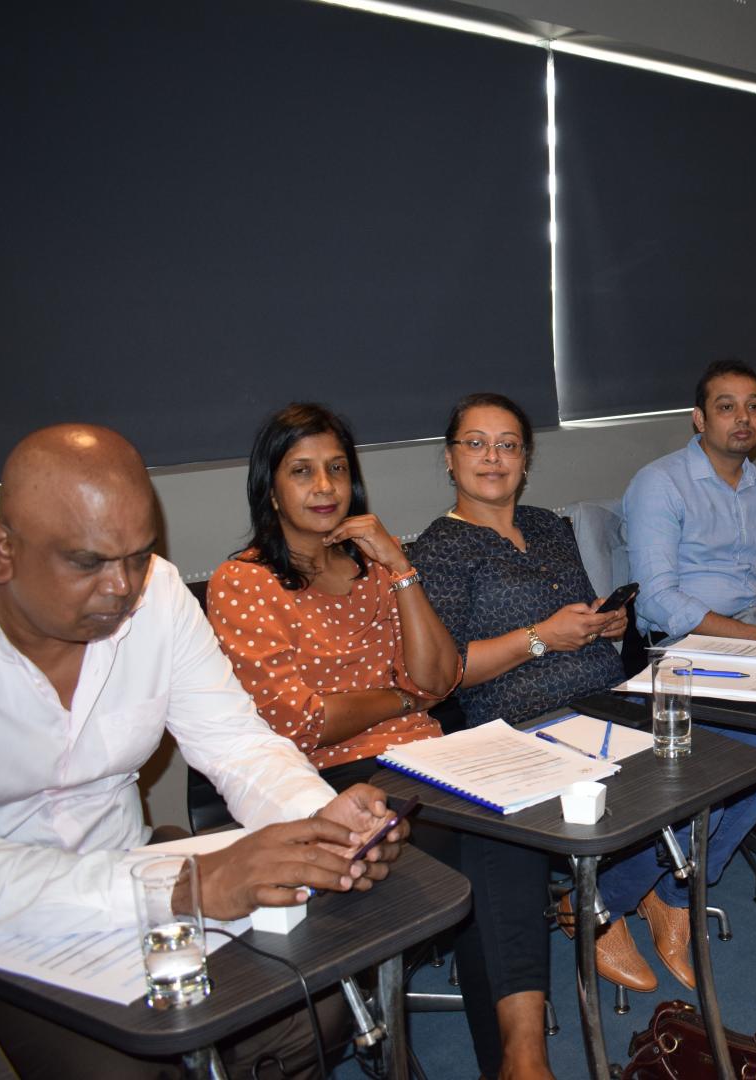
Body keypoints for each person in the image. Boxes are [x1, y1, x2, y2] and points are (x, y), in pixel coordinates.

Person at [0, 424, 405, 1079]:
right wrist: (187, 888)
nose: (123, 587)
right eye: (89, 562)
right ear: (4, 552)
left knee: (307, 1013)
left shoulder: (156, 595)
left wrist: (319, 823)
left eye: (138, 555)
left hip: (137, 868)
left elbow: (237, 745)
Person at [208, 404, 552, 1080]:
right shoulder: (244, 581)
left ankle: (523, 1059)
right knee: (492, 837)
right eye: (302, 471)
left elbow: (442, 676)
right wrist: (401, 699)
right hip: (331, 782)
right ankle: (520, 1058)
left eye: (337, 469)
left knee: (513, 819)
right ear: (270, 486)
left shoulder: (371, 570)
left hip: (426, 757)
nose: (324, 486)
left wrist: (398, 565)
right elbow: (301, 722)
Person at [410, 392, 756, 997]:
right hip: (525, 719)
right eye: (475, 444)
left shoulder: (542, 525)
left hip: (610, 697)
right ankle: (599, 906)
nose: (492, 458)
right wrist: (541, 638)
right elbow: (443, 674)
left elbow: (579, 609)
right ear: (450, 460)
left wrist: (606, 622)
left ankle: (651, 893)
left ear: (525, 459)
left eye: (507, 445)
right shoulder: (438, 551)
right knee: (665, 785)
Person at [622, 359, 756, 868]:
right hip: (678, 648)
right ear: (700, 420)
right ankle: (690, 869)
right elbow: (657, 597)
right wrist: (753, 635)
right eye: (726, 408)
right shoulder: (660, 482)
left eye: (753, 407)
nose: (742, 418)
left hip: (754, 629)